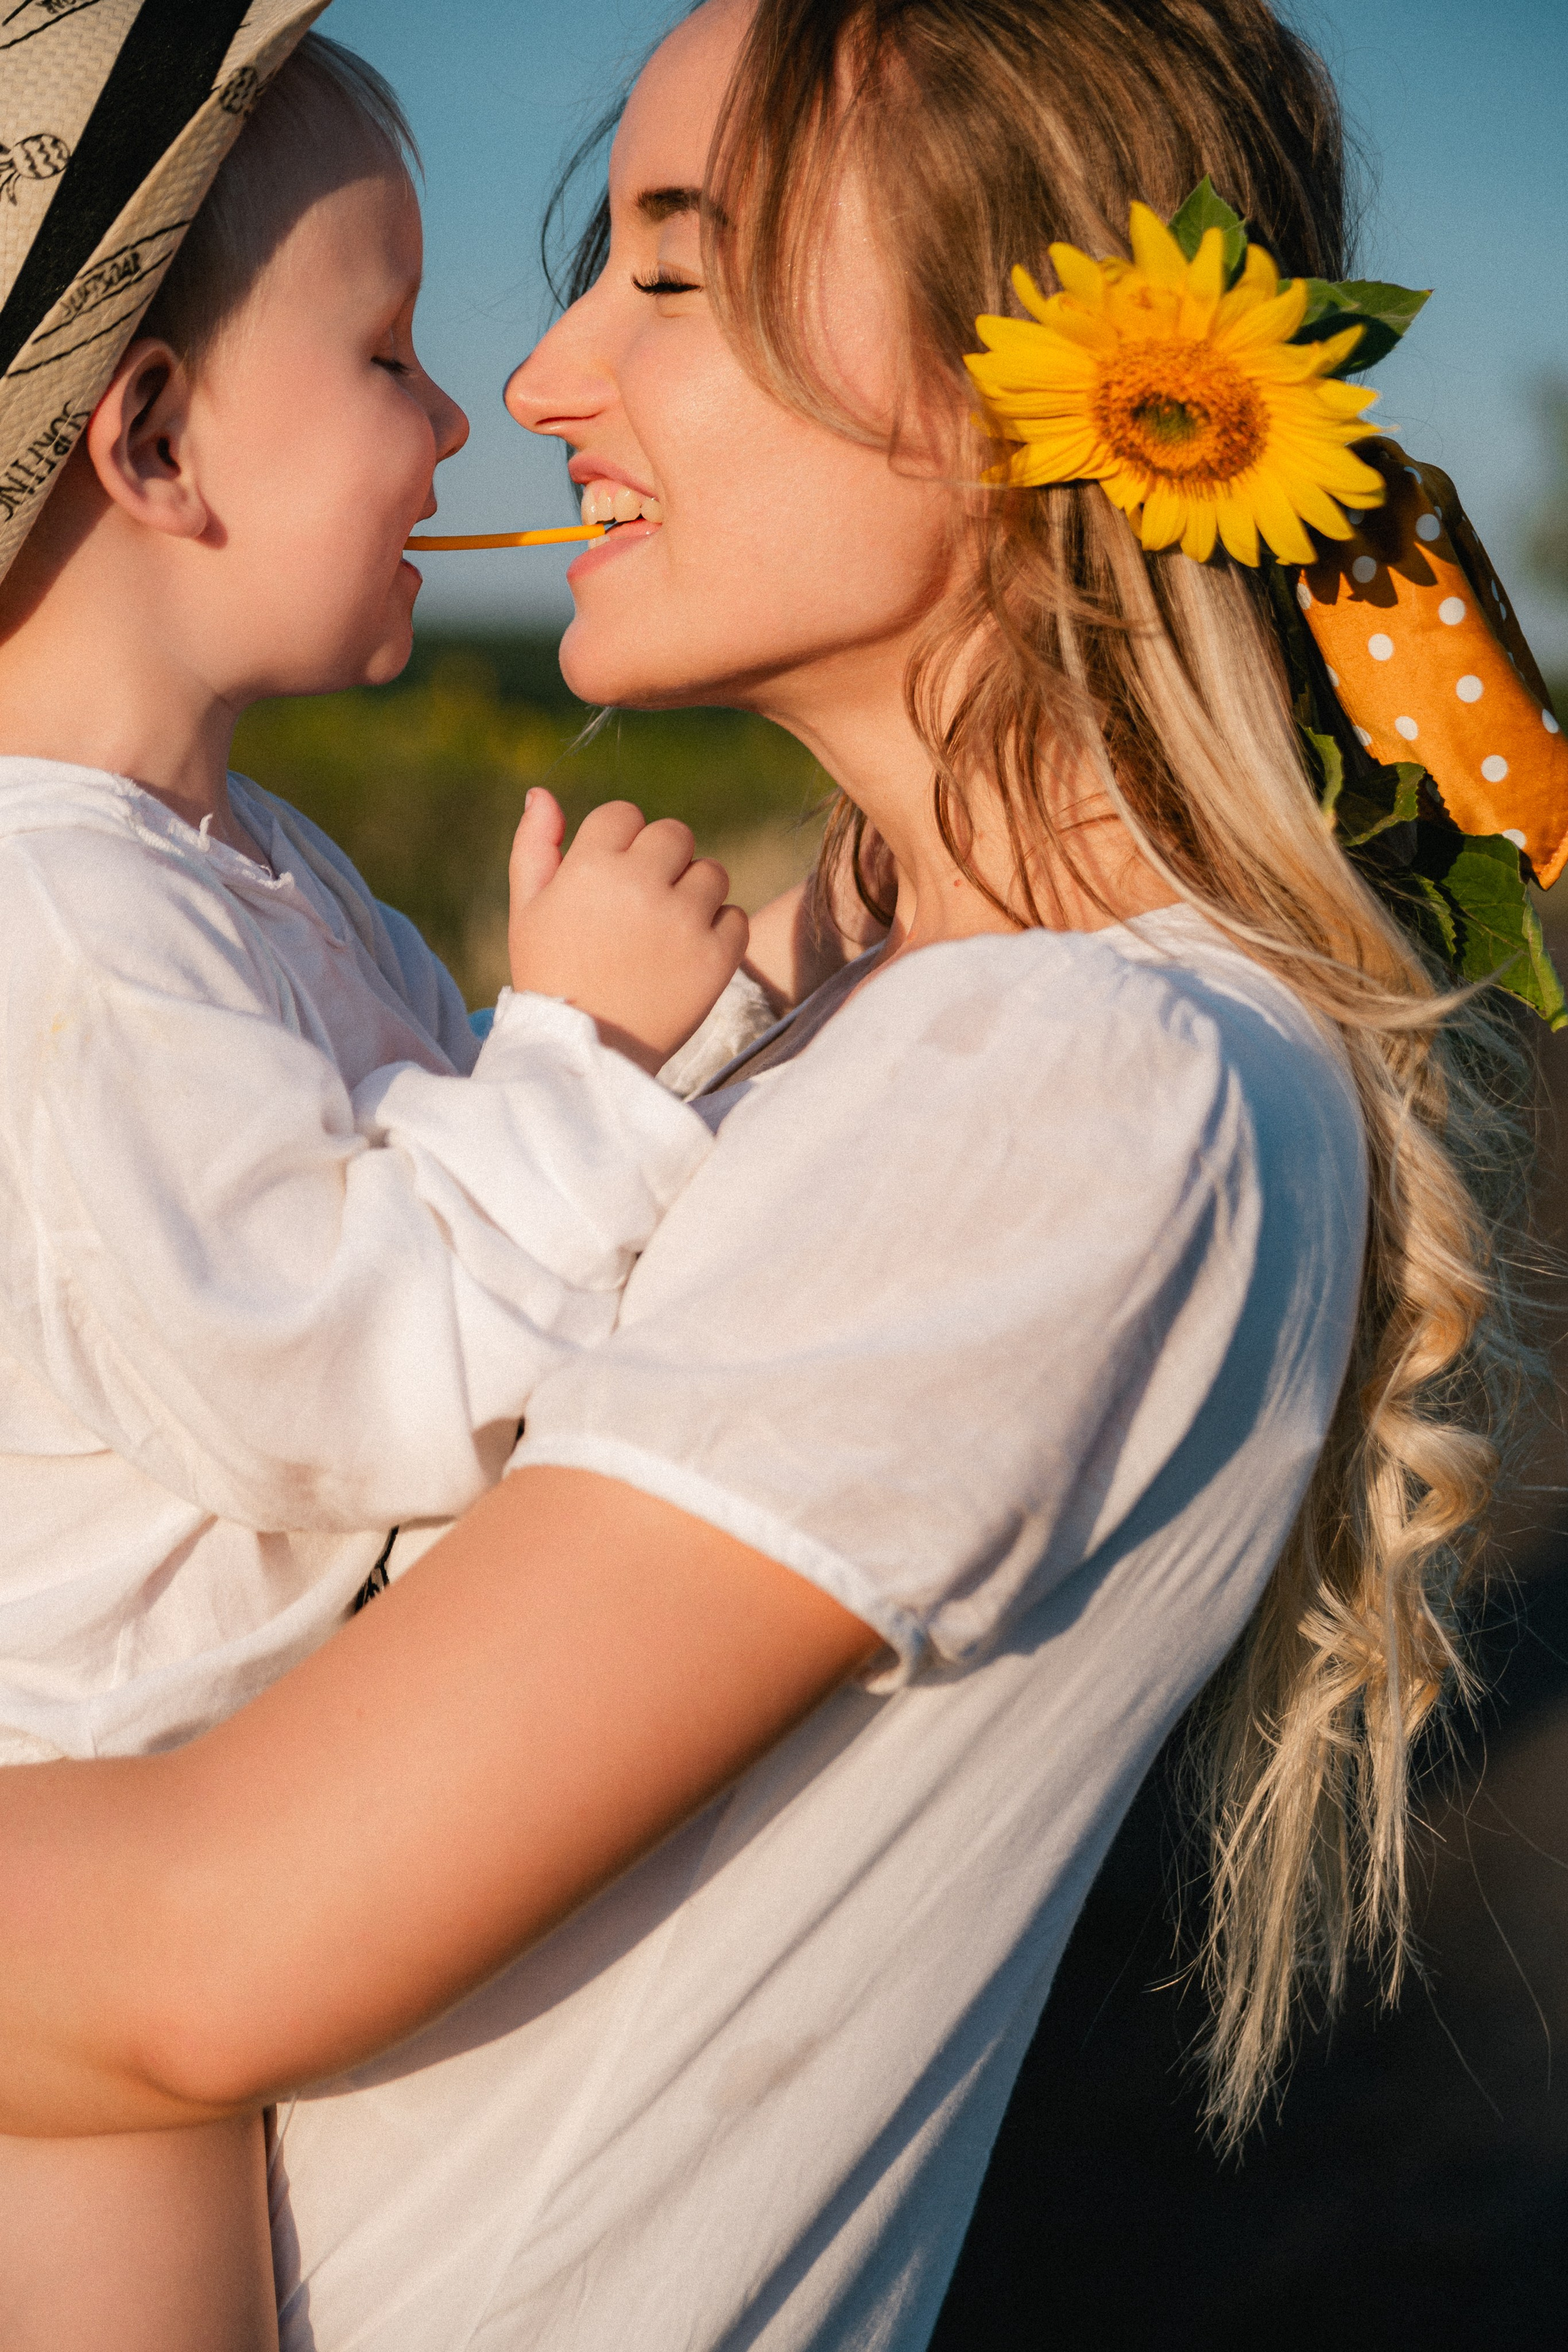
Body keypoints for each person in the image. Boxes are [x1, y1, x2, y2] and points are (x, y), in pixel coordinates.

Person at [0, 2, 1547, 2347]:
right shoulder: (928, 1038)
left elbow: (198, 1959)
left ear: (1025, 351)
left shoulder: (1083, 1078)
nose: (534, 387)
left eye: (673, 268)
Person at [0, 24, 794, 2351]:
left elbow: (457, 1201)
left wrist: (660, 1056)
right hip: (86, 1884)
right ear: (149, 440)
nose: (462, 423)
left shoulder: (224, 862)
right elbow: (324, 1368)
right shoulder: (68, 932)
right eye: (385, 352)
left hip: (194, 1815)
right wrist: (580, 1059)